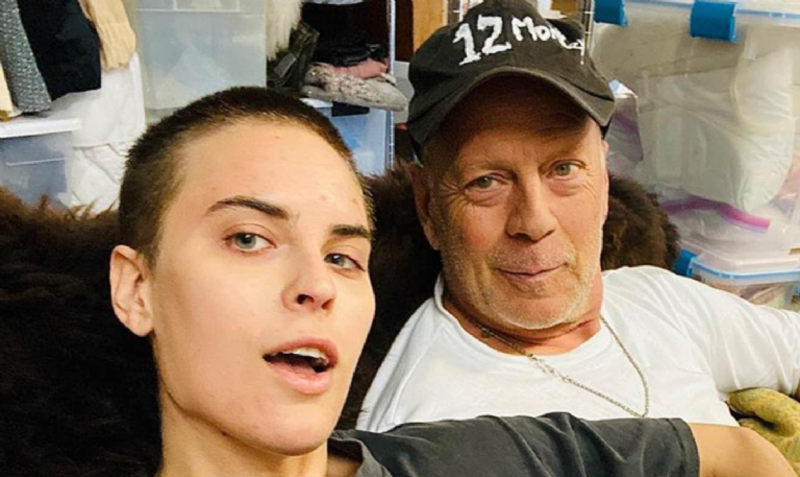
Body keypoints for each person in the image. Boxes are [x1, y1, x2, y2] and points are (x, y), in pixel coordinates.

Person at [1, 86, 791, 476]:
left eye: (343, 255)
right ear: (136, 288)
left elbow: (737, 455)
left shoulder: (457, 458)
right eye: (250, 238)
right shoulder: (433, 393)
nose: (315, 284)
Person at [356, 0, 800, 435]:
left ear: (603, 180)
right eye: (485, 182)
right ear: (429, 208)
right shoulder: (429, 431)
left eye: (564, 169)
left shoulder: (658, 298)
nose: (534, 221)